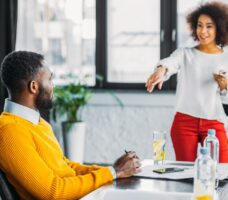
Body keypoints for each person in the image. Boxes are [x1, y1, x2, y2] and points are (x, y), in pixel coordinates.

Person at [0, 51, 141, 200]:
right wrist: (114, 172)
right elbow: (53, 191)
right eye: (49, 79)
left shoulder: (39, 123)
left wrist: (115, 171)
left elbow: (66, 167)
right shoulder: (9, 131)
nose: (53, 86)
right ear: (34, 87)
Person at [146, 1, 228, 163]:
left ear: (220, 28)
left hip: (214, 121)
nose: (203, 31)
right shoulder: (185, 54)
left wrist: (224, 85)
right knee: (186, 174)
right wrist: (161, 69)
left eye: (209, 26)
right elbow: (171, 62)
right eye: (200, 25)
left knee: (220, 172)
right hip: (184, 122)